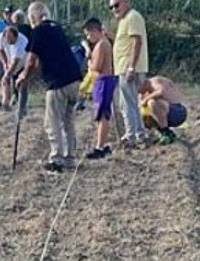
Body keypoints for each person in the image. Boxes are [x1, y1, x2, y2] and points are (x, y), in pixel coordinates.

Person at [17, 2, 82, 172]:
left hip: (58, 82)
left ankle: (56, 159)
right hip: (74, 78)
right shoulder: (57, 28)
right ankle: (69, 158)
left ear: (33, 17)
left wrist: (24, 76)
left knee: (52, 122)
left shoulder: (39, 31)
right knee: (68, 121)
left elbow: (31, 60)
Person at [109, 0, 148, 148]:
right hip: (124, 68)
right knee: (129, 102)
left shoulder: (132, 17)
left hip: (129, 69)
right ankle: (139, 134)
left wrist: (131, 67)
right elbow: (125, 42)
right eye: (111, 7)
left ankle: (131, 135)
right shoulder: (125, 20)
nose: (114, 9)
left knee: (127, 103)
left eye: (116, 5)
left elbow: (136, 42)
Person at [82, 18, 116, 160]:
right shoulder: (103, 43)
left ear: (94, 31)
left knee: (102, 115)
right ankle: (101, 144)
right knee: (101, 114)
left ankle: (100, 147)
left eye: (88, 34)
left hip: (104, 80)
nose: (88, 38)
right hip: (103, 81)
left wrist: (88, 58)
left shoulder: (102, 45)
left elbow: (96, 66)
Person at [138, 75, 188, 145]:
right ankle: (163, 133)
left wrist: (146, 99)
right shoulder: (146, 90)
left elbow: (160, 91)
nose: (140, 93)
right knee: (142, 112)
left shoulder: (154, 82)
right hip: (168, 112)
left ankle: (165, 133)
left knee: (152, 103)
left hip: (177, 111)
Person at [0, 25, 29, 111]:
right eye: (7, 38)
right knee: (3, 80)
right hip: (8, 59)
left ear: (16, 37)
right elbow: (0, 50)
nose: (8, 40)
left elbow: (15, 63)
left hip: (22, 64)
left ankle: (22, 108)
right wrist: (5, 63)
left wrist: (7, 74)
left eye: (10, 38)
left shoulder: (22, 43)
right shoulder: (2, 36)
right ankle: (5, 103)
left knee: (21, 84)